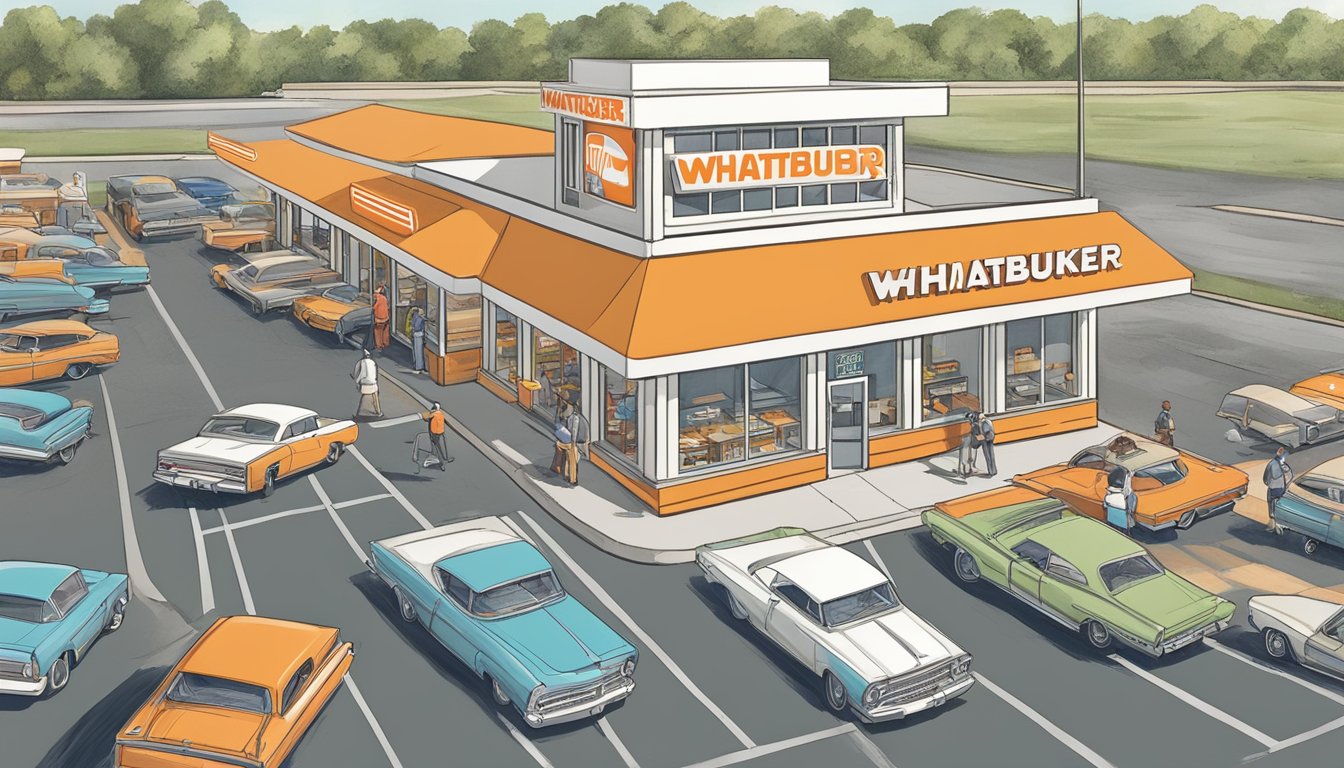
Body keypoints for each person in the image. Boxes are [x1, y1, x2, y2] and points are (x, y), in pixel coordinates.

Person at [1264, 446, 1293, 532]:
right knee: (1276, 506)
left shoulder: (1273, 464)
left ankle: (1274, 525)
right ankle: (1276, 525)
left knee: (1273, 506)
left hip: (1275, 488)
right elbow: (1288, 476)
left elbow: (1265, 478)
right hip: (1278, 488)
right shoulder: (1279, 465)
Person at [420, 401, 450, 470]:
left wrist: (428, 413)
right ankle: (445, 458)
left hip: (434, 433)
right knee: (439, 445)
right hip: (440, 432)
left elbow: (425, 418)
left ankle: (442, 464)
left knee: (436, 446)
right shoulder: (440, 414)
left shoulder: (433, 414)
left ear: (434, 408)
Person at [351, 350, 382, 418]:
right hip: (373, 383)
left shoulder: (362, 362)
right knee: (375, 396)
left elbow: (362, 373)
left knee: (360, 397)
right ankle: (379, 412)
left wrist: (357, 380)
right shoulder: (373, 362)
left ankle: (357, 414)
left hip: (365, 383)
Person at [564, 406, 589, 484]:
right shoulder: (581, 418)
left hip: (575, 442)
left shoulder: (574, 418)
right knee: (572, 460)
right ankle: (569, 476)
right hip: (579, 442)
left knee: (572, 459)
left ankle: (571, 478)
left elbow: (574, 431)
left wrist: (572, 443)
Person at [974, 411, 997, 476]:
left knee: (988, 456)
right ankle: (993, 471)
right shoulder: (988, 421)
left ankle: (991, 471)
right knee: (991, 455)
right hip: (990, 439)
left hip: (985, 440)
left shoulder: (984, 423)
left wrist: (981, 436)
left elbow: (986, 431)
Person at [371, 285, 391, 352]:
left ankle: (379, 346)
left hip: (379, 318)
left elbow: (374, 307)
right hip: (386, 317)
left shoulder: (378, 298)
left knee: (378, 332)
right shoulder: (385, 298)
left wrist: (373, 307)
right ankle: (385, 343)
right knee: (385, 331)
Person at [409, 307, 426, 374]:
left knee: (415, 351)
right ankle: (419, 367)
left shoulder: (414, 316)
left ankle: (416, 365)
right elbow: (417, 327)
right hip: (418, 335)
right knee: (419, 351)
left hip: (414, 334)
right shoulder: (419, 318)